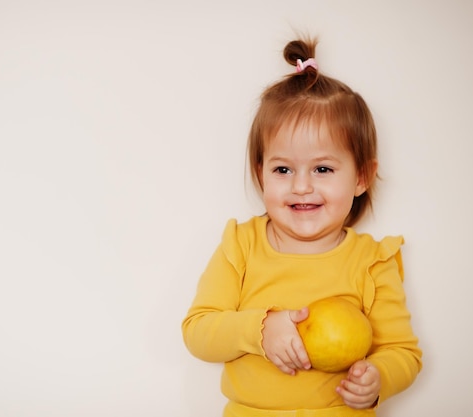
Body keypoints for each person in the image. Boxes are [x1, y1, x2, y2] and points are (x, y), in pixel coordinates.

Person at [181, 37, 422, 417]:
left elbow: (402, 351)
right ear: (261, 174)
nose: (301, 186)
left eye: (323, 169)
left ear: (362, 177)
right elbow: (198, 332)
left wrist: (379, 377)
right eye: (282, 169)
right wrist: (259, 329)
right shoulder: (240, 246)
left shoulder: (372, 261)